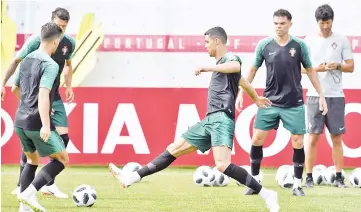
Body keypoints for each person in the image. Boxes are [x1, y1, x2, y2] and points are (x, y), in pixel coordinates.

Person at [108, 26, 280, 212]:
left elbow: (236, 66)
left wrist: (206, 67)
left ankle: (267, 194)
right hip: (209, 120)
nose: (205, 46)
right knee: (173, 149)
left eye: (207, 42)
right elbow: (244, 81)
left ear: (217, 41)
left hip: (221, 118)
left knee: (222, 165)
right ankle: (131, 178)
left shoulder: (230, 59)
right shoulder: (223, 66)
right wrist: (255, 98)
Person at [235, 9, 328, 196]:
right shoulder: (264, 45)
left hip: (293, 102)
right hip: (268, 101)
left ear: (290, 24)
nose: (279, 27)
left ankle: (297, 185)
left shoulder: (299, 45)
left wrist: (321, 95)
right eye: (276, 23)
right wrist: (241, 93)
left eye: (282, 23)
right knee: (257, 139)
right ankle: (255, 183)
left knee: (298, 142)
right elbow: (252, 70)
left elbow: (310, 71)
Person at [2, 7, 75, 198]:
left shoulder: (68, 44)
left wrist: (69, 85)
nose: (62, 31)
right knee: (61, 158)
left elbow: (68, 66)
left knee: (36, 154)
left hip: (43, 101)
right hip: (41, 100)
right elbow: (41, 93)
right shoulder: (45, 58)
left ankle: (34, 193)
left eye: (65, 27)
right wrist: (42, 116)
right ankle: (27, 189)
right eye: (59, 27)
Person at [12, 22, 69, 212]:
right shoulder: (50, 64)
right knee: (62, 159)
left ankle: (24, 207)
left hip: (19, 120)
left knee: (32, 161)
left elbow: (14, 89)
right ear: (55, 41)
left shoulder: (26, 58)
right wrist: (45, 124)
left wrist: (28, 105)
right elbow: (44, 94)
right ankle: (29, 193)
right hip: (36, 122)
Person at [303, 4, 354, 188]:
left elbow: (351, 66)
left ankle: (339, 177)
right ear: (317, 22)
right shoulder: (308, 41)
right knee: (313, 137)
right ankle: (308, 177)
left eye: (328, 23)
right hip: (314, 96)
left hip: (336, 95)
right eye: (322, 23)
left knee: (336, 138)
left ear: (333, 21)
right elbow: (300, 69)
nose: (325, 27)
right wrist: (317, 68)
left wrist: (336, 66)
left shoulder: (341, 39)